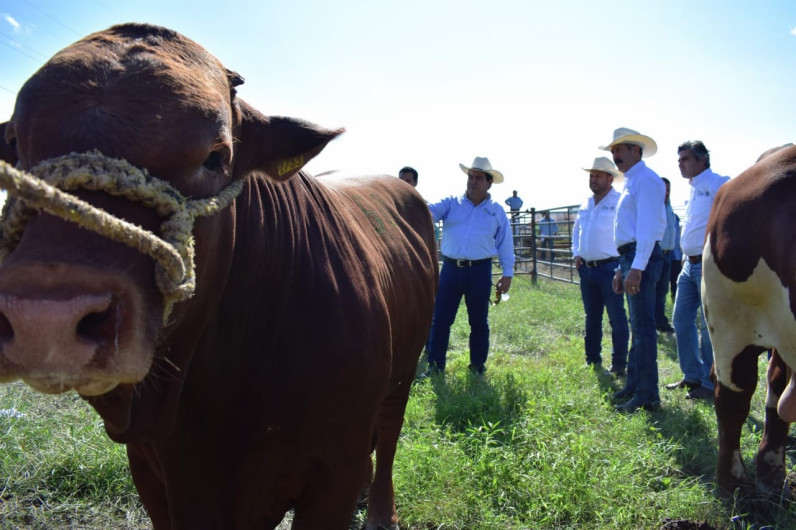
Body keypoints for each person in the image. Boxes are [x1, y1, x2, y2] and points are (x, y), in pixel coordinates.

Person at [423, 156, 515, 376]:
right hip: (451, 269)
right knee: (441, 320)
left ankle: (477, 367)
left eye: (478, 178)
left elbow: (505, 243)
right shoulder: (452, 203)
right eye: (471, 177)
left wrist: (508, 273)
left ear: (489, 182)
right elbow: (428, 211)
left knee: (478, 322)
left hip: (480, 270)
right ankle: (435, 366)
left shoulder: (496, 211)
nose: (473, 181)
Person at [603, 127, 666, 413]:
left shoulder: (647, 181)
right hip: (632, 256)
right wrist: (622, 267)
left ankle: (647, 393)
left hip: (642, 256)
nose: (616, 155)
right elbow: (630, 230)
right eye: (614, 151)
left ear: (636, 151)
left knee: (643, 328)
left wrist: (637, 267)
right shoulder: (633, 181)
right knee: (637, 325)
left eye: (621, 150)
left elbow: (649, 228)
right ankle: (635, 383)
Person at [664, 141, 729, 400]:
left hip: (706, 264)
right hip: (687, 264)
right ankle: (692, 374)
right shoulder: (692, 189)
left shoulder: (717, 183)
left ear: (702, 160)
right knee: (681, 320)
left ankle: (709, 380)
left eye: (685, 159)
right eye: (679, 160)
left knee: (707, 325)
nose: (680, 164)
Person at [571, 157, 629, 377]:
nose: (593, 180)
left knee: (616, 317)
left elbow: (625, 234)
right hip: (587, 269)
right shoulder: (586, 203)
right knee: (592, 316)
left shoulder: (619, 202)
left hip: (611, 268)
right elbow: (577, 231)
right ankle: (592, 359)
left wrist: (621, 267)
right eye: (591, 176)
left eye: (598, 176)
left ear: (610, 179)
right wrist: (576, 253)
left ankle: (619, 363)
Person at [655, 178, 677, 333]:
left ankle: (660, 320)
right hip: (656, 254)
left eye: (668, 190)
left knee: (662, 290)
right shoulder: (654, 207)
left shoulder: (669, 208)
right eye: (664, 190)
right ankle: (652, 321)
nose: (667, 193)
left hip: (668, 254)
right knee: (653, 290)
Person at [670, 212, 682, 302]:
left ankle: (675, 303)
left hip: (676, 257)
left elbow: (678, 239)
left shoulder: (675, 218)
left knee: (676, 286)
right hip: (666, 256)